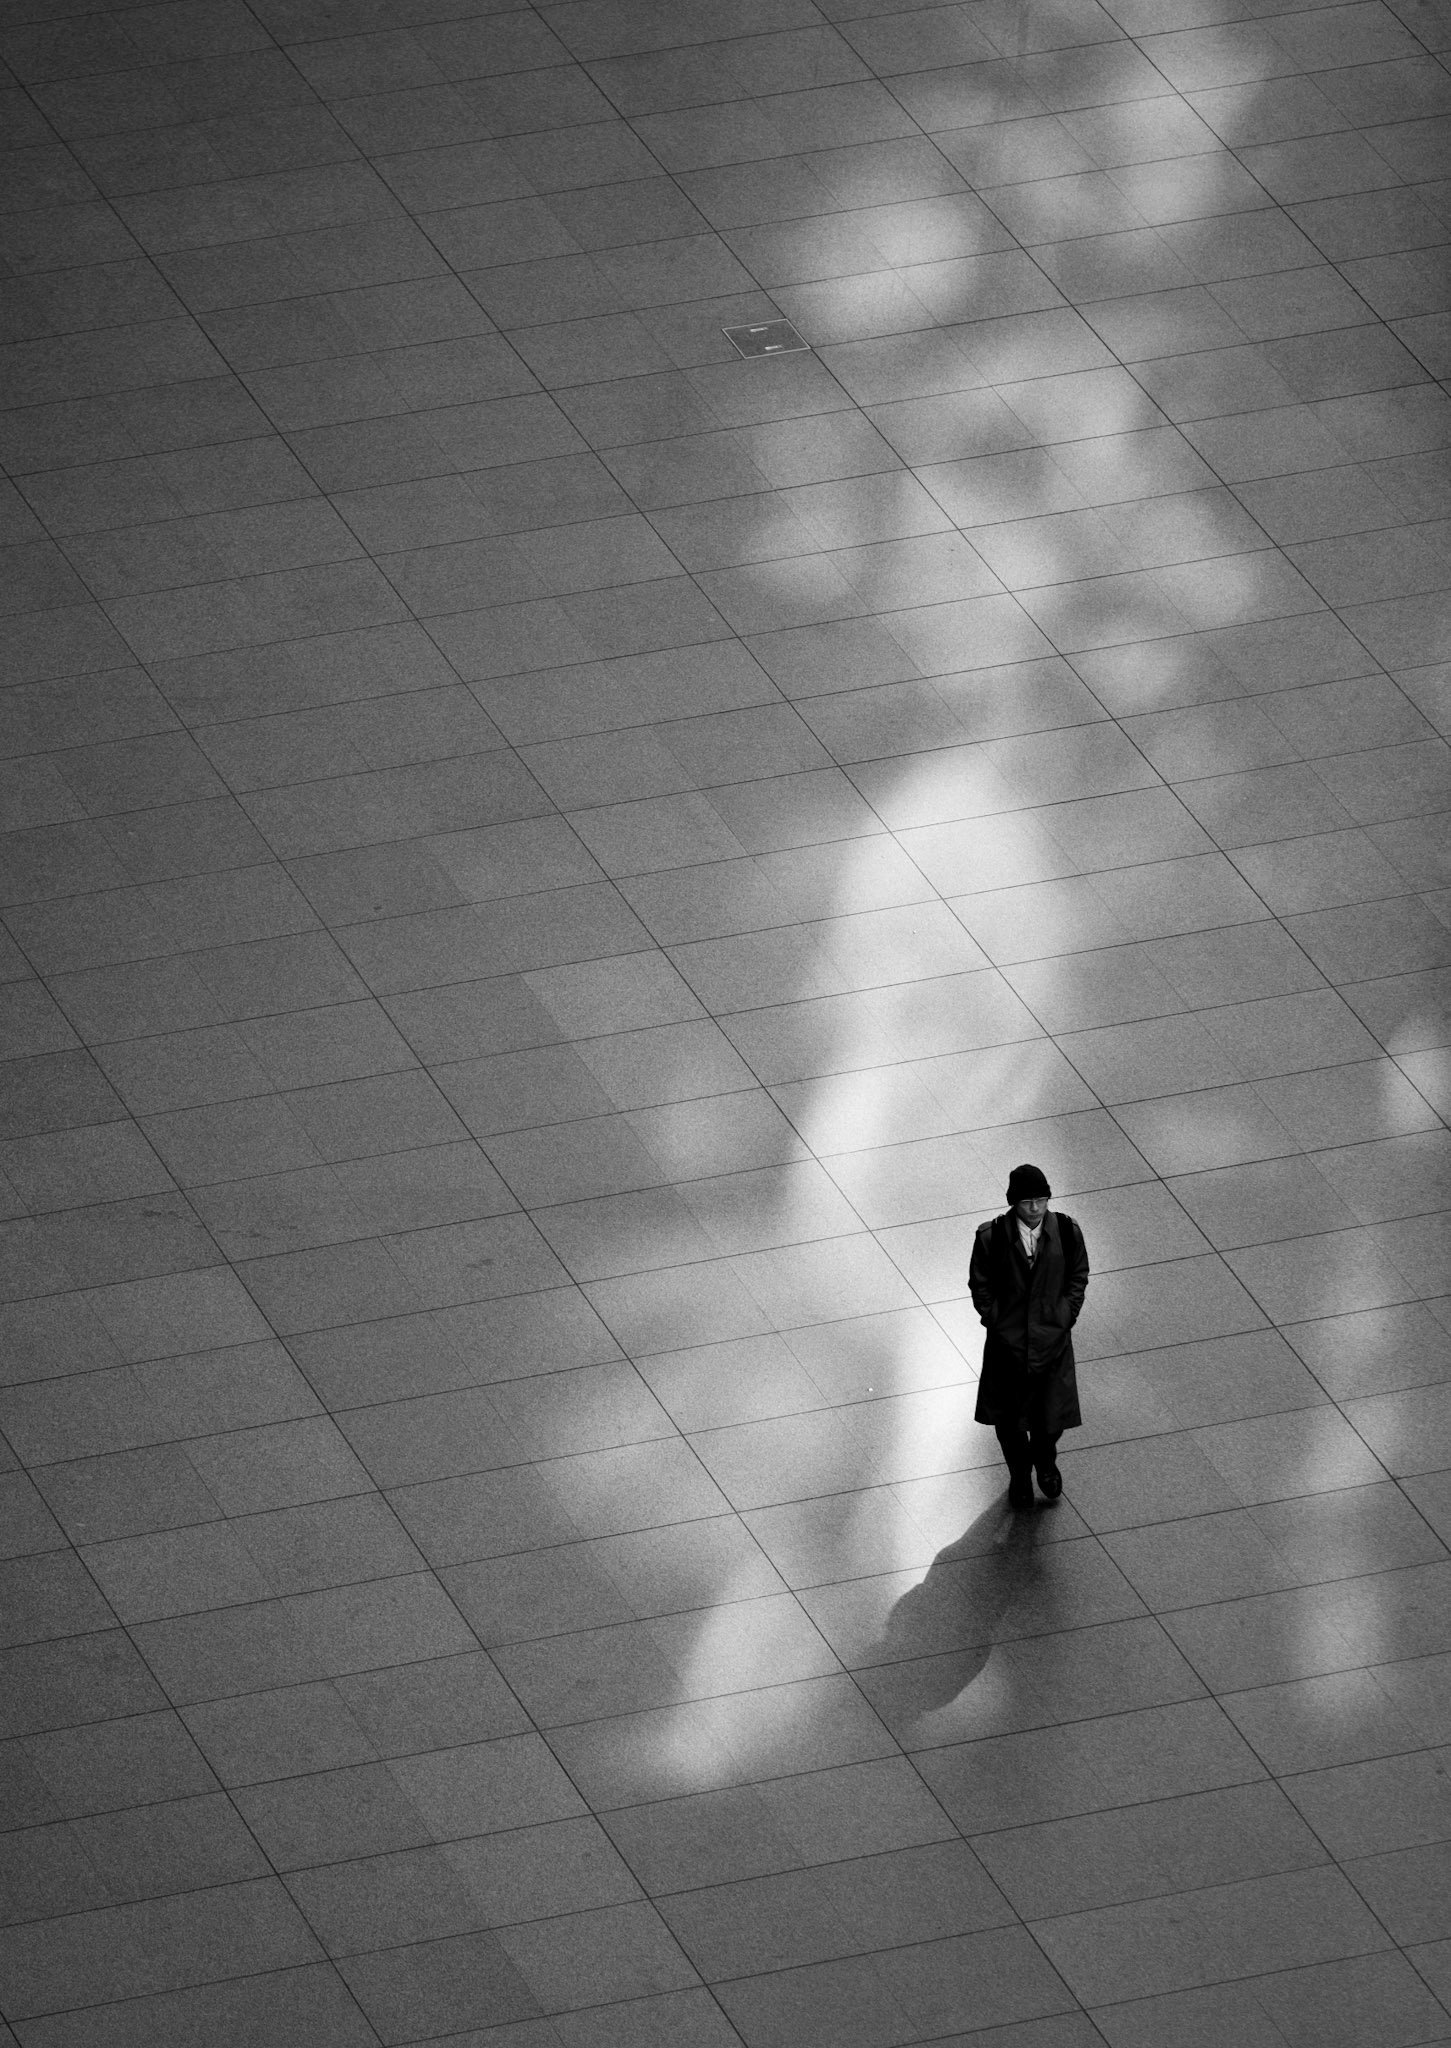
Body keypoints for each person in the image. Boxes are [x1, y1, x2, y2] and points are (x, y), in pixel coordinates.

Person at [969, 1163, 1089, 1508]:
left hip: (1052, 1341)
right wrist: (997, 1321)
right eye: (1026, 1202)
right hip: (1009, 1344)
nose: (1035, 1208)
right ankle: (1020, 1475)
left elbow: (1078, 1274)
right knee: (1008, 1422)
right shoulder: (991, 1236)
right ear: (1013, 1203)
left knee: (1051, 1419)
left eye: (1041, 1200)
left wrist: (1066, 1314)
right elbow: (981, 1284)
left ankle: (1045, 1461)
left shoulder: (1066, 1230)